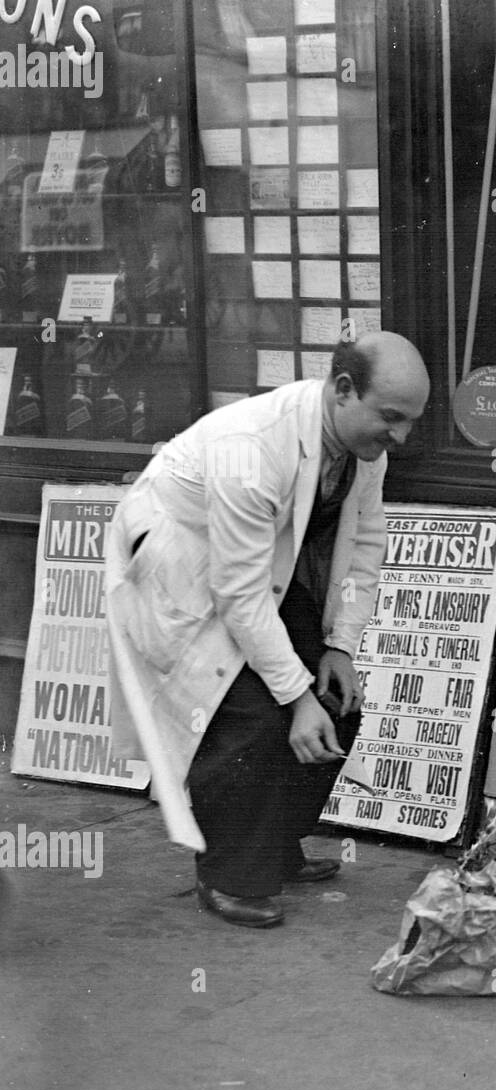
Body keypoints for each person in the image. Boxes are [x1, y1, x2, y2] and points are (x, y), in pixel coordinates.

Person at [106, 333, 429, 928]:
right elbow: (238, 595)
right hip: (179, 572)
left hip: (258, 574)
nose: (400, 437)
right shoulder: (252, 447)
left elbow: (364, 547)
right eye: (390, 418)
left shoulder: (366, 451)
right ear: (342, 389)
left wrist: (339, 648)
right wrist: (295, 696)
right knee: (250, 715)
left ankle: (274, 845)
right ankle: (226, 875)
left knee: (339, 703)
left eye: (410, 422)